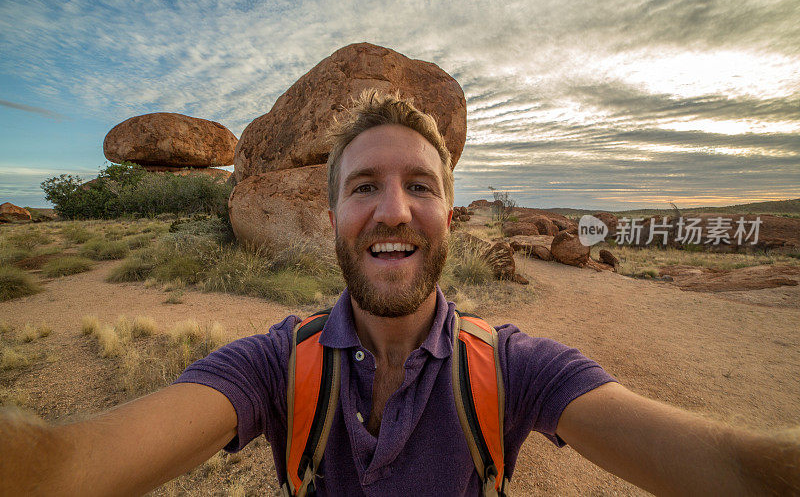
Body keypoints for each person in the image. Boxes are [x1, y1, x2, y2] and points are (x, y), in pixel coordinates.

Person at [1, 90, 798, 496]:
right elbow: (64, 467)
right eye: (364, 187)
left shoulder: (515, 368)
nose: (393, 209)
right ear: (332, 213)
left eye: (420, 184)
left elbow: (730, 465)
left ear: (450, 213)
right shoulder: (274, 365)